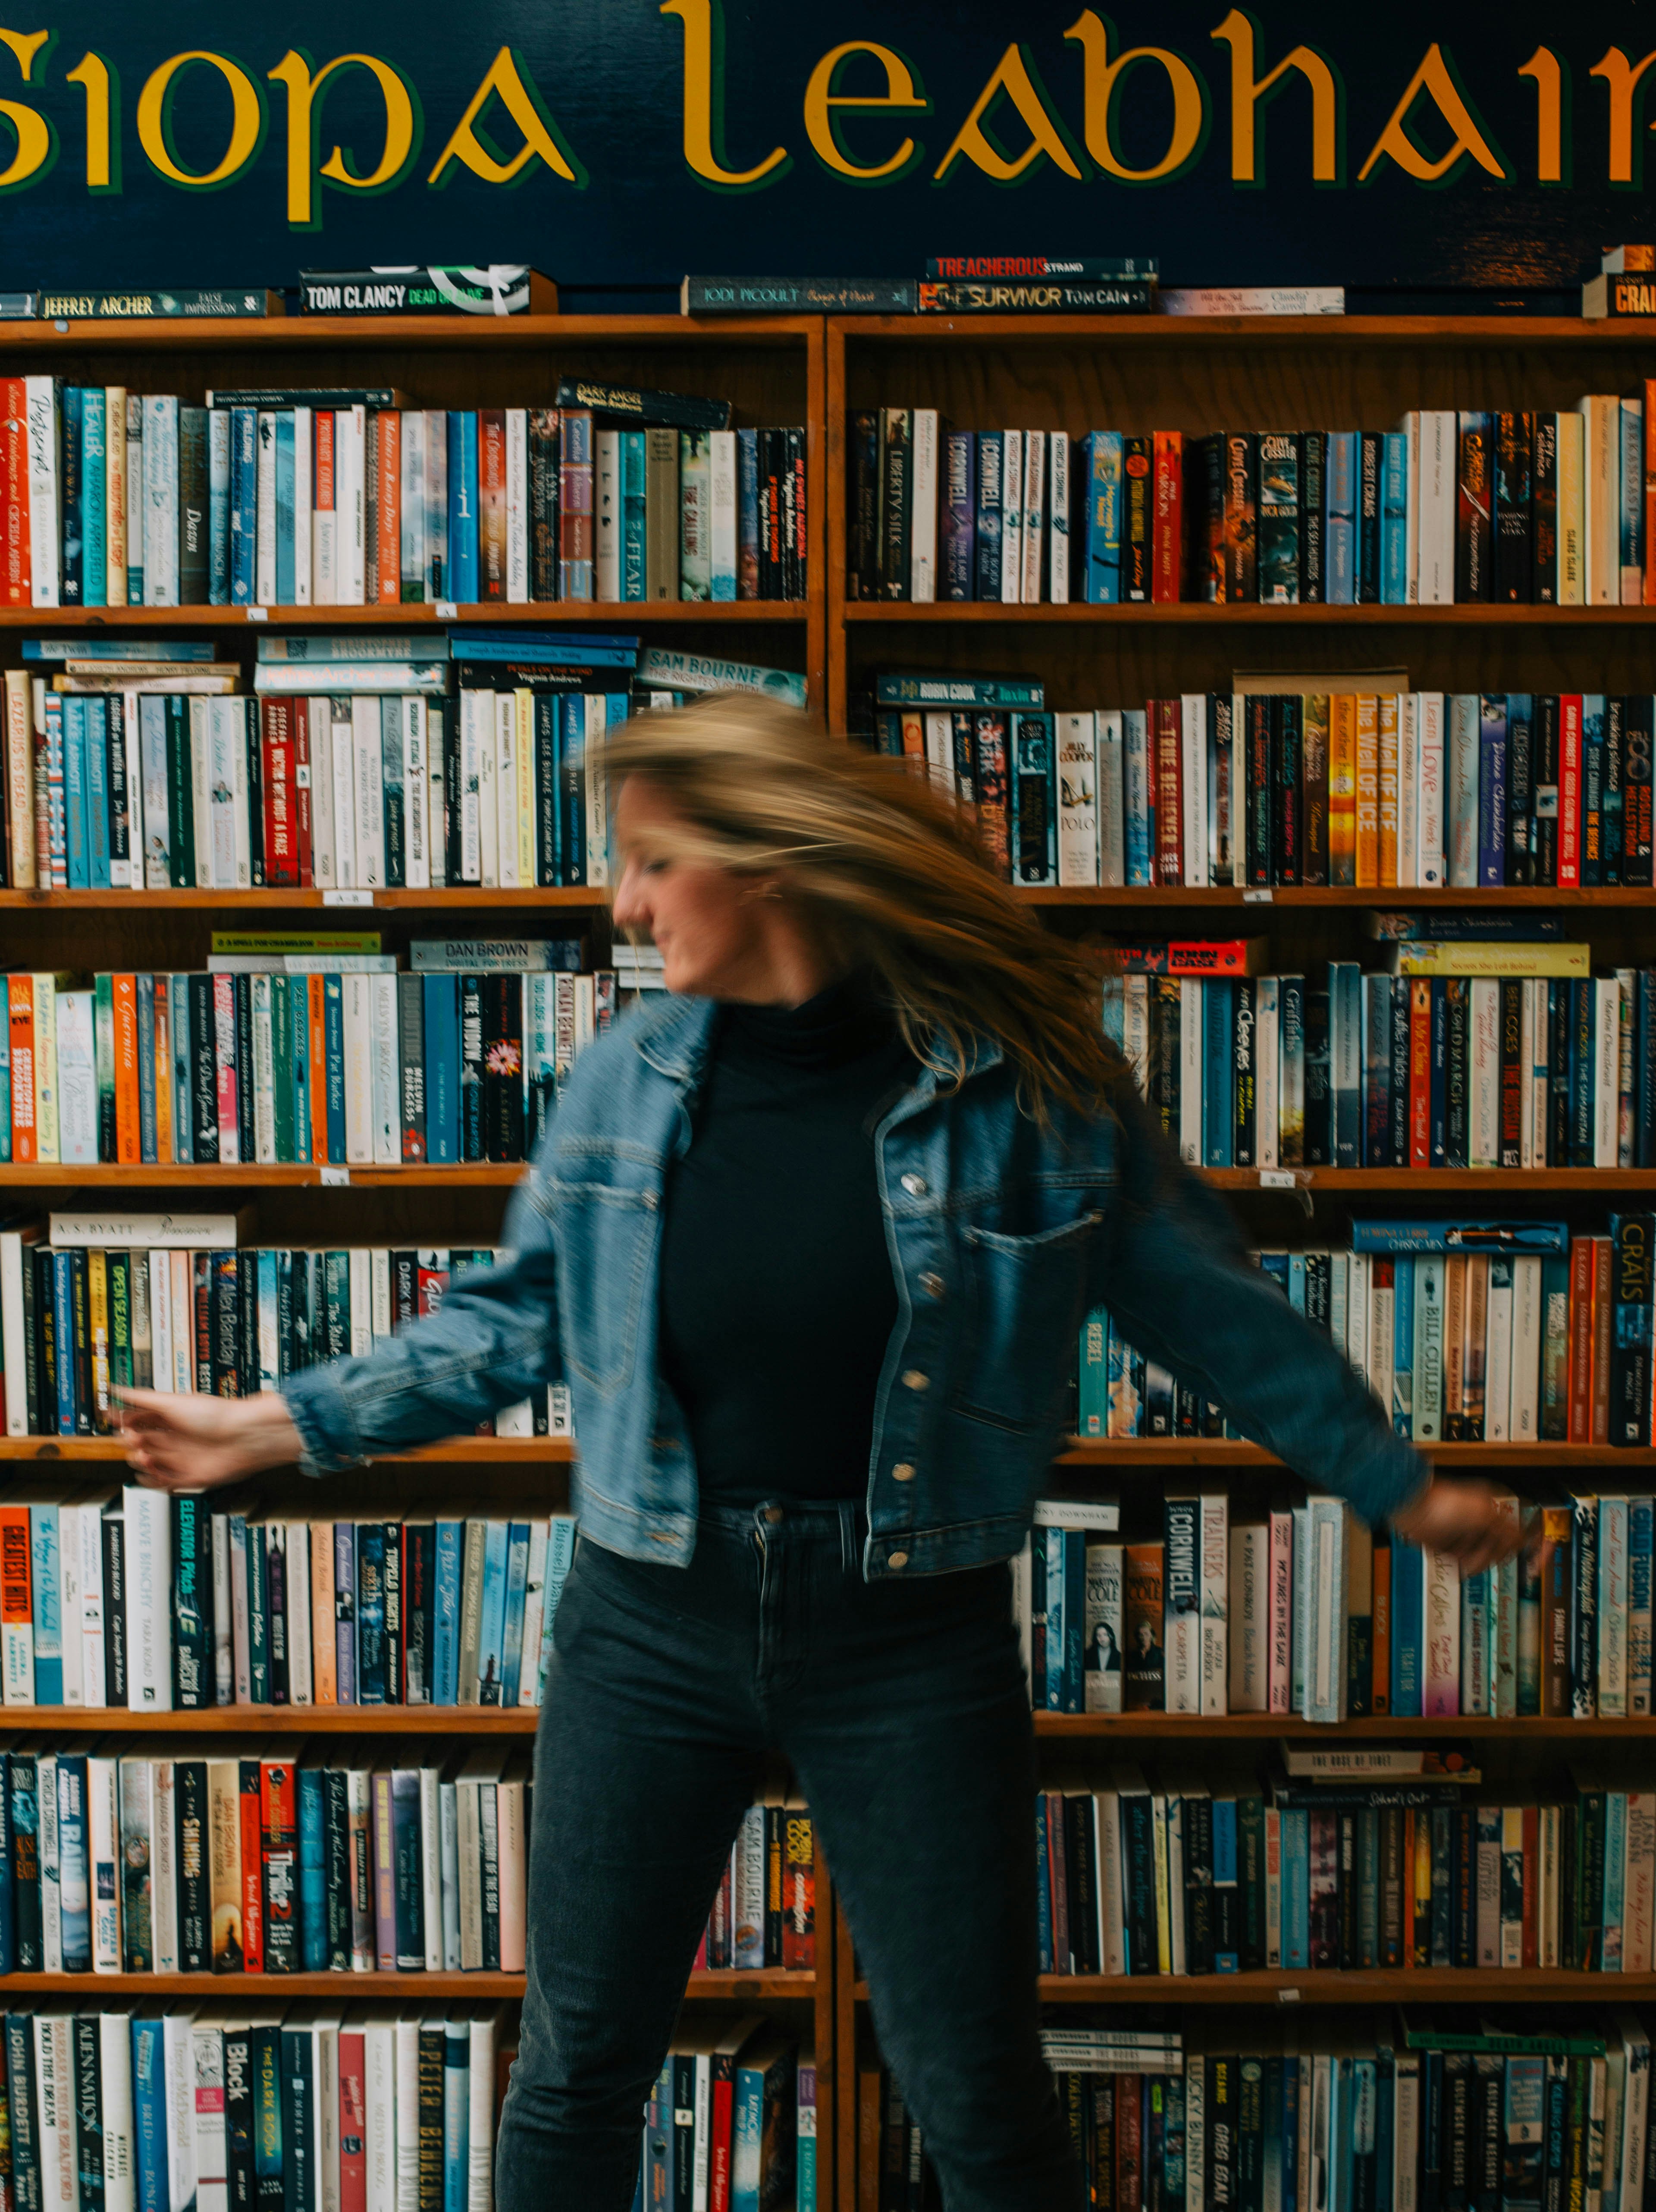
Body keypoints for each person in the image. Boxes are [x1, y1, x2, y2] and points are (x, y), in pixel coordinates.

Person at [119, 694, 1520, 2212]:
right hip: (646, 1624)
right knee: (579, 2066)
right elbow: (506, 1324)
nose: (624, 904)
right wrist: (269, 1425)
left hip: (910, 1642)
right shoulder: (625, 1079)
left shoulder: (1028, 1095)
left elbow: (1219, 1314)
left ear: (768, 861)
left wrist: (1399, 1485)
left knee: (976, 2085)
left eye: (653, 864)